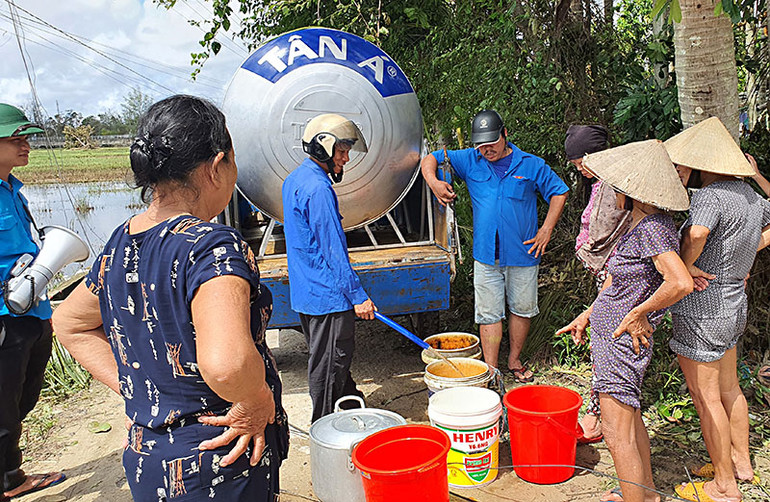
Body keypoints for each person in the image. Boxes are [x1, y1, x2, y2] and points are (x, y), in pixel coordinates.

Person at [52, 95, 288, 501]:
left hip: (151, 461)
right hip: (221, 463)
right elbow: (228, 364)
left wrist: (136, 391)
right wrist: (256, 400)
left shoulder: (121, 242)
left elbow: (70, 324)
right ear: (217, 166)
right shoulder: (212, 247)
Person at [557, 139, 693, 502]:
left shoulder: (652, 227)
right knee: (629, 423)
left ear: (632, 191)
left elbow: (679, 282)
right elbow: (619, 281)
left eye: (616, 186)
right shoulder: (637, 223)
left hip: (622, 342)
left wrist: (639, 312)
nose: (610, 191)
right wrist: (588, 314)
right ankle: (643, 493)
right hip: (610, 335)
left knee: (617, 432)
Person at [664, 117, 770, 502]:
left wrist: (686, 267)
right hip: (733, 302)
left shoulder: (709, 196)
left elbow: (696, 233)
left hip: (704, 305)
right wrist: (741, 259)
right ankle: (741, 463)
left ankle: (725, 485)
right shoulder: (749, 195)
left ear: (703, 163)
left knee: (705, 394)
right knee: (729, 388)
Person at [421, 109, 569, 382]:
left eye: (492, 142)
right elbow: (429, 159)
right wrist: (434, 182)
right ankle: (491, 369)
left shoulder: (530, 164)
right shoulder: (470, 160)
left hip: (524, 253)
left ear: (505, 134)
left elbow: (559, 191)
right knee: (488, 313)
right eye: (481, 144)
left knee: (522, 308)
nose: (486, 149)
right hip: (486, 255)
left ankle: (514, 360)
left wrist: (546, 229)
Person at [282, 113, 376, 423]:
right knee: (328, 366)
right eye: (342, 151)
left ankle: (352, 406)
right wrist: (358, 295)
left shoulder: (296, 178)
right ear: (324, 148)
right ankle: (323, 428)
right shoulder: (320, 190)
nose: (346, 159)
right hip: (328, 298)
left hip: (309, 293)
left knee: (331, 360)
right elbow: (333, 249)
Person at [0, 104, 66, 501]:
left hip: (31, 311)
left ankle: (8, 473)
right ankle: (9, 478)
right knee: (2, 403)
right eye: (17, 139)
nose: (27, 145)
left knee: (22, 397)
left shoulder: (14, 189)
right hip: (5, 316)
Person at [564, 125, 633, 444]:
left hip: (617, 278)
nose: (578, 167)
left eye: (580, 161)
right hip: (606, 275)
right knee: (602, 344)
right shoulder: (600, 183)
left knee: (607, 346)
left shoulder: (617, 185)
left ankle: (602, 417)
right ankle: (601, 413)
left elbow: (610, 233)